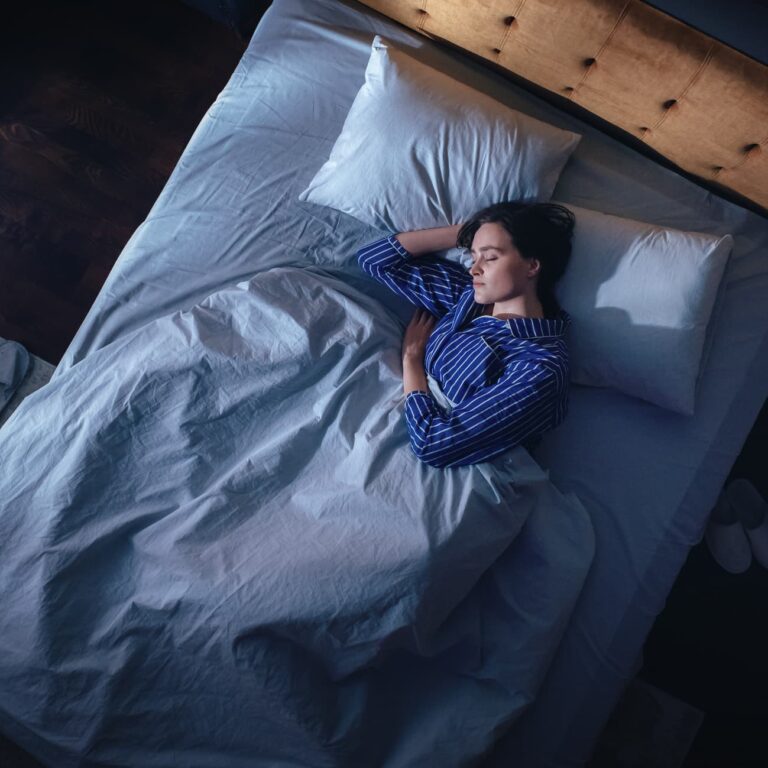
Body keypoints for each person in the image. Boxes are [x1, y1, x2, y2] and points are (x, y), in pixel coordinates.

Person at [356, 201, 575, 468]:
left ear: (532, 266)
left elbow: (433, 445)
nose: (474, 269)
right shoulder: (468, 298)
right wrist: (470, 232)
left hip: (455, 474)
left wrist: (411, 360)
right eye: (473, 257)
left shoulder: (540, 365)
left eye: (490, 257)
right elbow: (375, 260)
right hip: (383, 425)